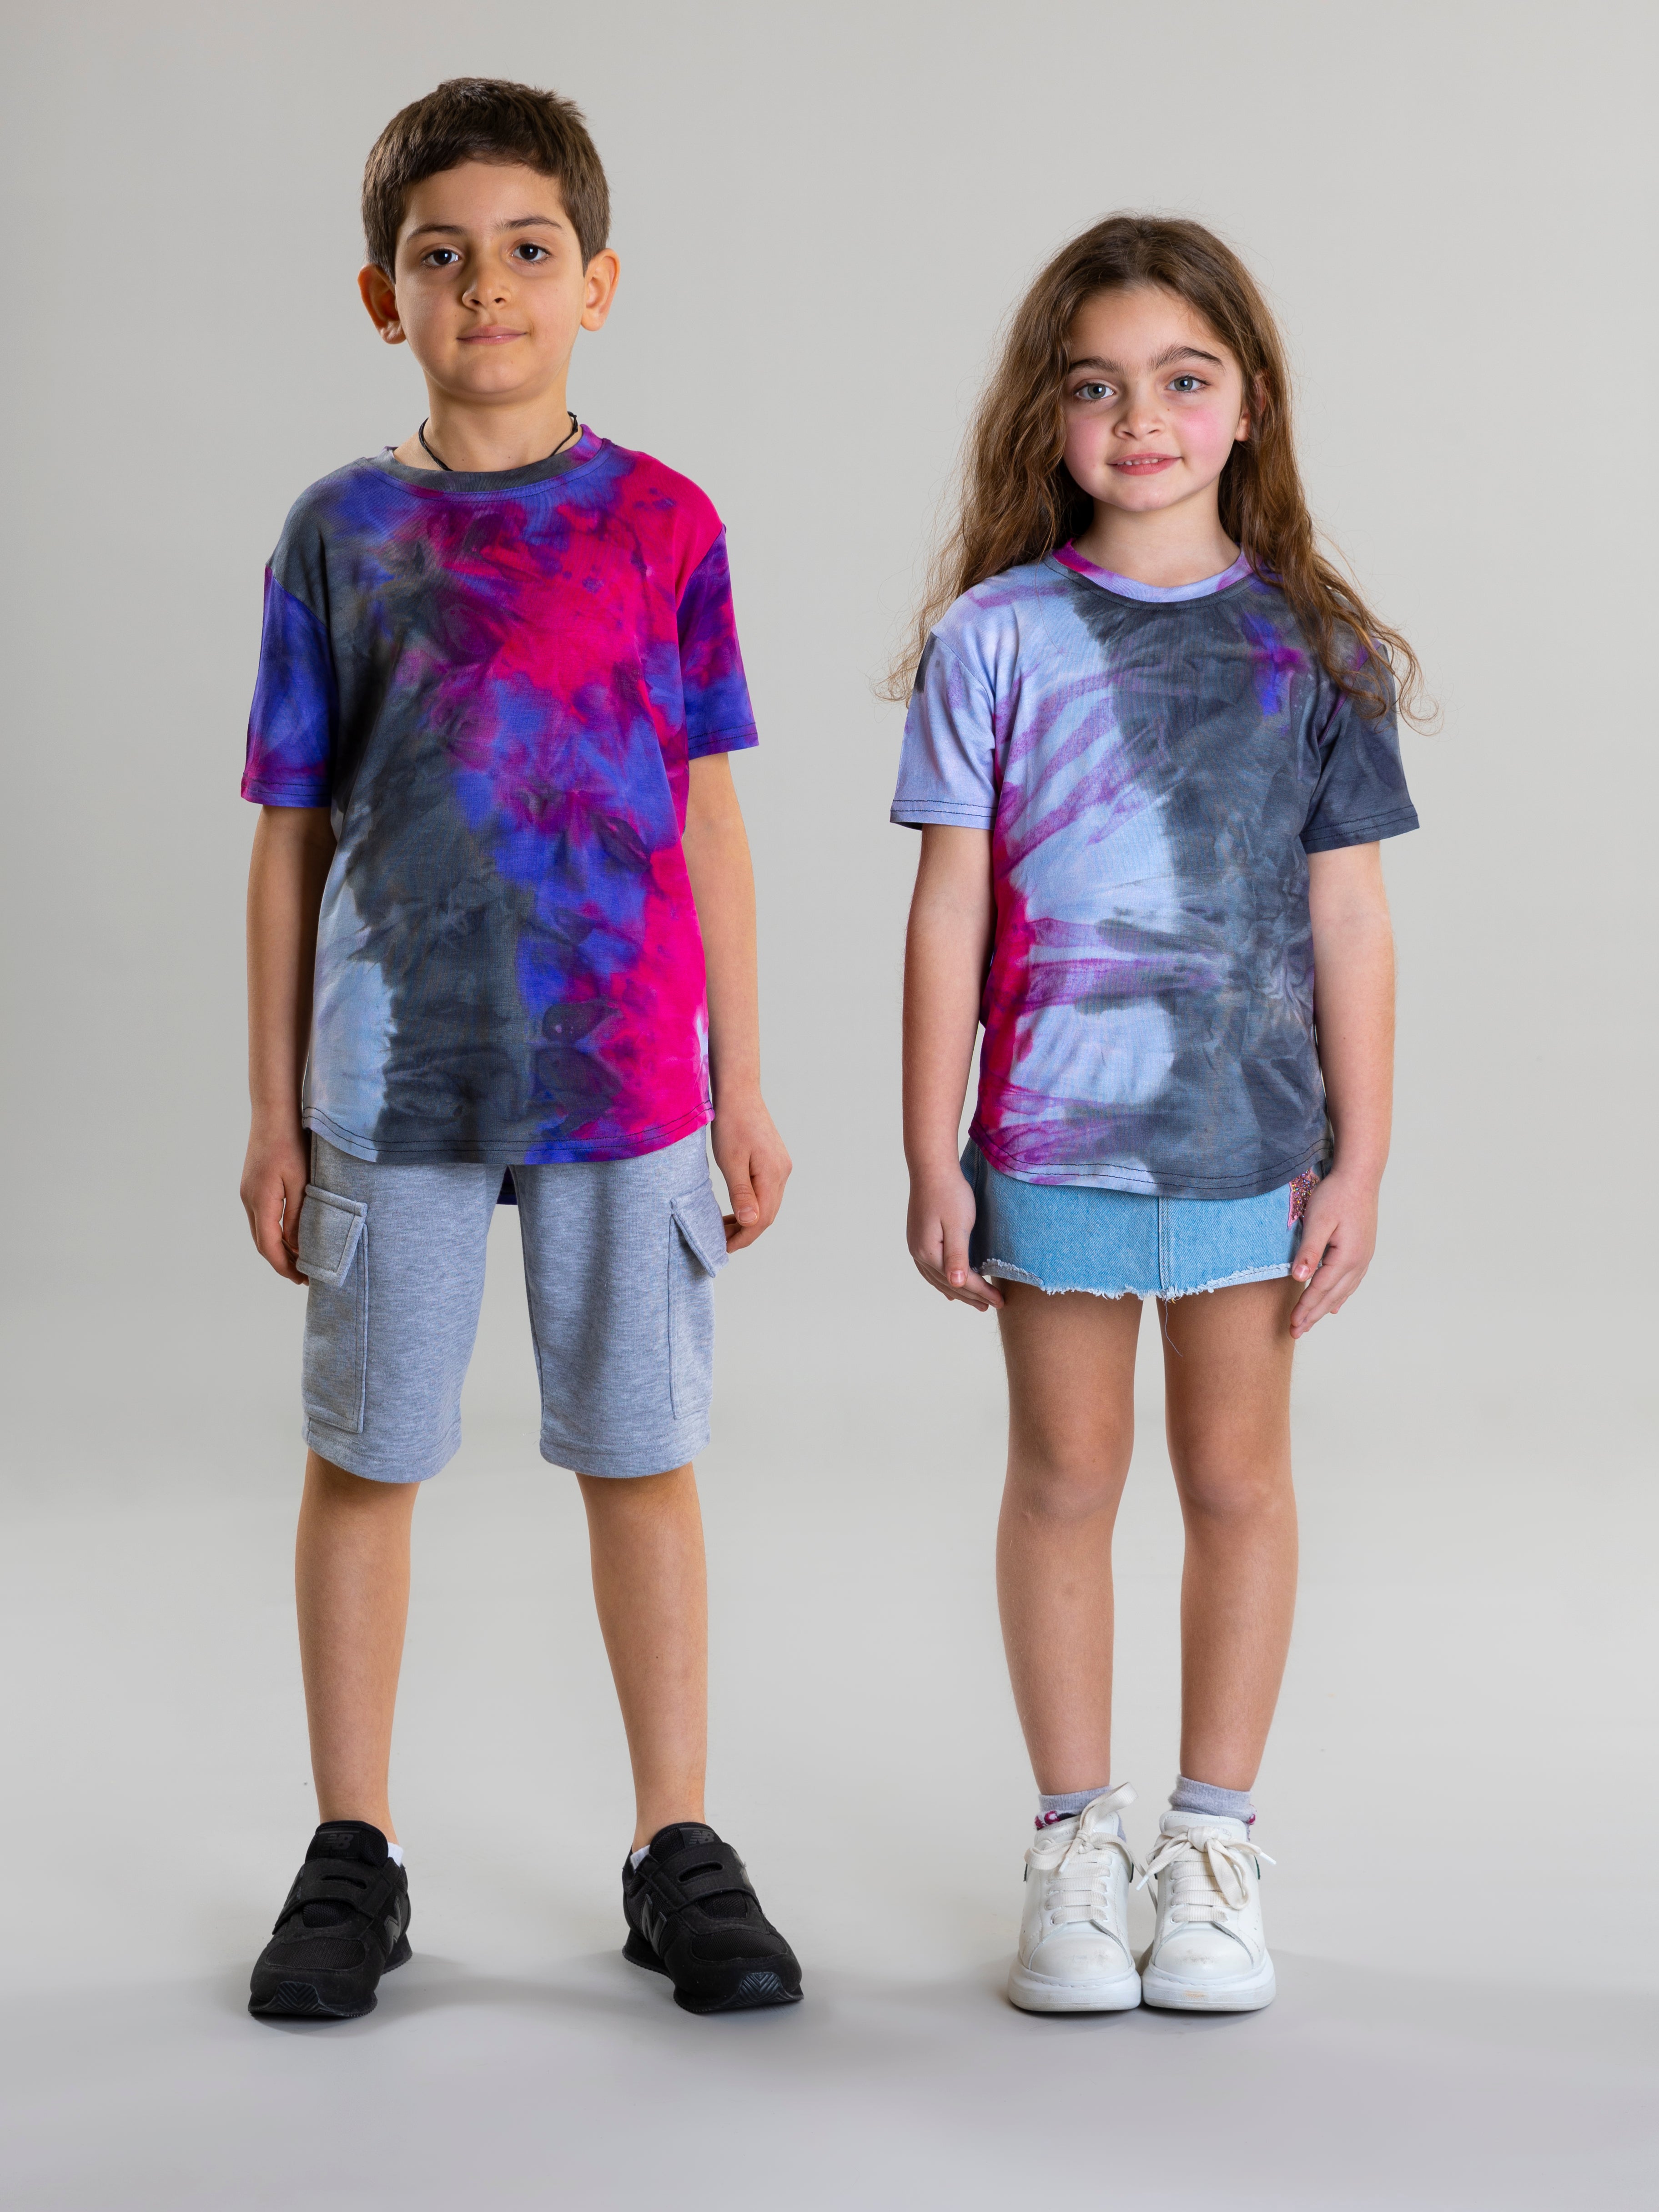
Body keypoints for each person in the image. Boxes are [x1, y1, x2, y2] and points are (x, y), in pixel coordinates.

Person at [238, 77, 801, 2021]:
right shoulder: (338, 534)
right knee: (367, 1453)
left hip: (626, 1079)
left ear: (598, 283)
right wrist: (271, 1112)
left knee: (640, 1451)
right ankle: (352, 1850)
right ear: (384, 296)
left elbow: (710, 814)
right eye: (442, 255)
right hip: (390, 1081)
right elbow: (291, 833)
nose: (489, 286)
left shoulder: (666, 523)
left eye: (529, 250)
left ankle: (676, 1844)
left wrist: (741, 1084)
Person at [892, 216, 1422, 2013]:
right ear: (1046, 418)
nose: (1142, 420)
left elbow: (1351, 918)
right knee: (1064, 1477)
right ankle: (1072, 1845)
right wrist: (932, 1145)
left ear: (1248, 404)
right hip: (1052, 1137)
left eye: (1183, 381)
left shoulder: (1316, 649)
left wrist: (1361, 1157)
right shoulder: (995, 638)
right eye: (1098, 386)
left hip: (1250, 1147)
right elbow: (949, 910)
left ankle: (1211, 1848)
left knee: (1237, 1481)